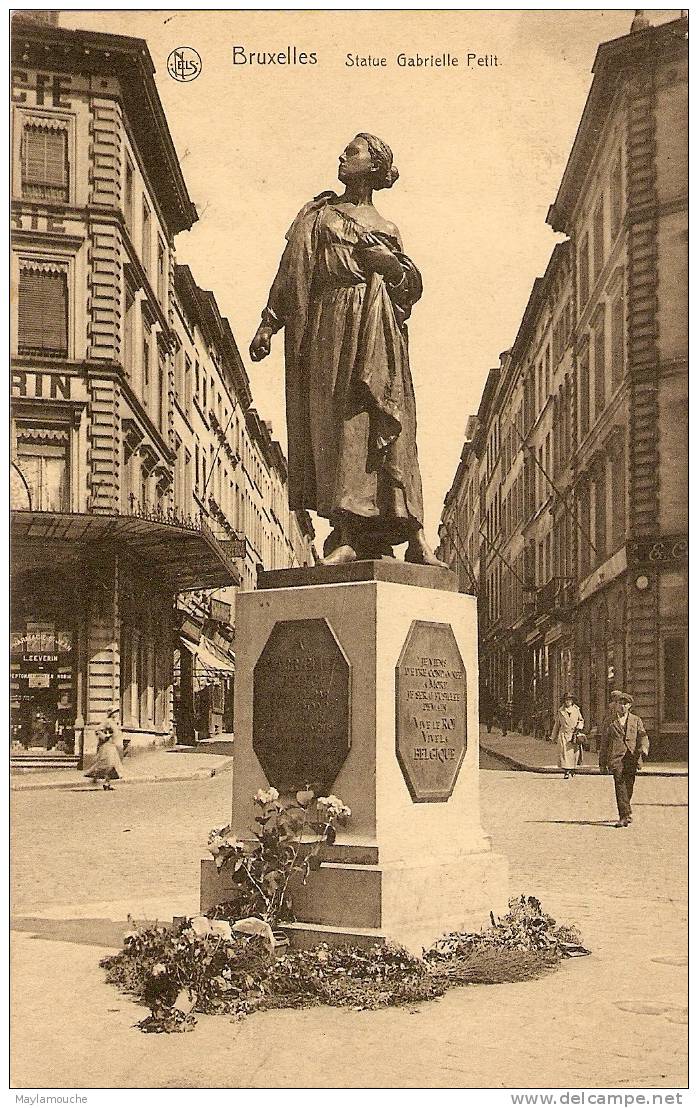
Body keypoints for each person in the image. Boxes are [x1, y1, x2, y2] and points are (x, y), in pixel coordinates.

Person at [250, 133, 446, 567]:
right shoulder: (318, 217)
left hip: (378, 329)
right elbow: (292, 274)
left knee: (391, 426)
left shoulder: (388, 229)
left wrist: (392, 266)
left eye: (352, 152)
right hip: (329, 326)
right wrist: (268, 324)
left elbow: (409, 293)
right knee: (342, 428)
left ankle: (408, 532)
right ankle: (349, 532)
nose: (342, 155)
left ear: (374, 166)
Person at [598, 690, 649, 827]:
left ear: (630, 706)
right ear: (616, 705)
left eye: (625, 704)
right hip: (616, 758)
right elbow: (604, 743)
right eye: (620, 703)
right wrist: (602, 763)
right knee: (620, 784)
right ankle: (623, 815)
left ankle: (626, 810)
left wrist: (644, 748)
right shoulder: (610, 721)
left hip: (632, 757)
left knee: (629, 786)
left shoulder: (636, 720)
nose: (622, 707)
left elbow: (643, 736)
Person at [550, 693, 584, 779]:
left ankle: (572, 769)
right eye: (566, 700)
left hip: (574, 734)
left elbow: (581, 720)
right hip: (564, 735)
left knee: (574, 754)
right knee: (565, 754)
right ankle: (566, 771)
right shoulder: (561, 711)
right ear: (564, 701)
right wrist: (553, 736)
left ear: (572, 701)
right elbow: (557, 724)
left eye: (570, 700)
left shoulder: (576, 710)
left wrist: (579, 727)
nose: (568, 701)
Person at [84, 722, 124, 791]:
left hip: (112, 748)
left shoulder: (115, 723)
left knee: (112, 766)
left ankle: (107, 783)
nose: (116, 715)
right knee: (105, 764)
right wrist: (105, 736)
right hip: (106, 748)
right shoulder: (106, 722)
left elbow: (116, 734)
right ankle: (95, 777)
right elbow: (97, 731)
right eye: (114, 713)